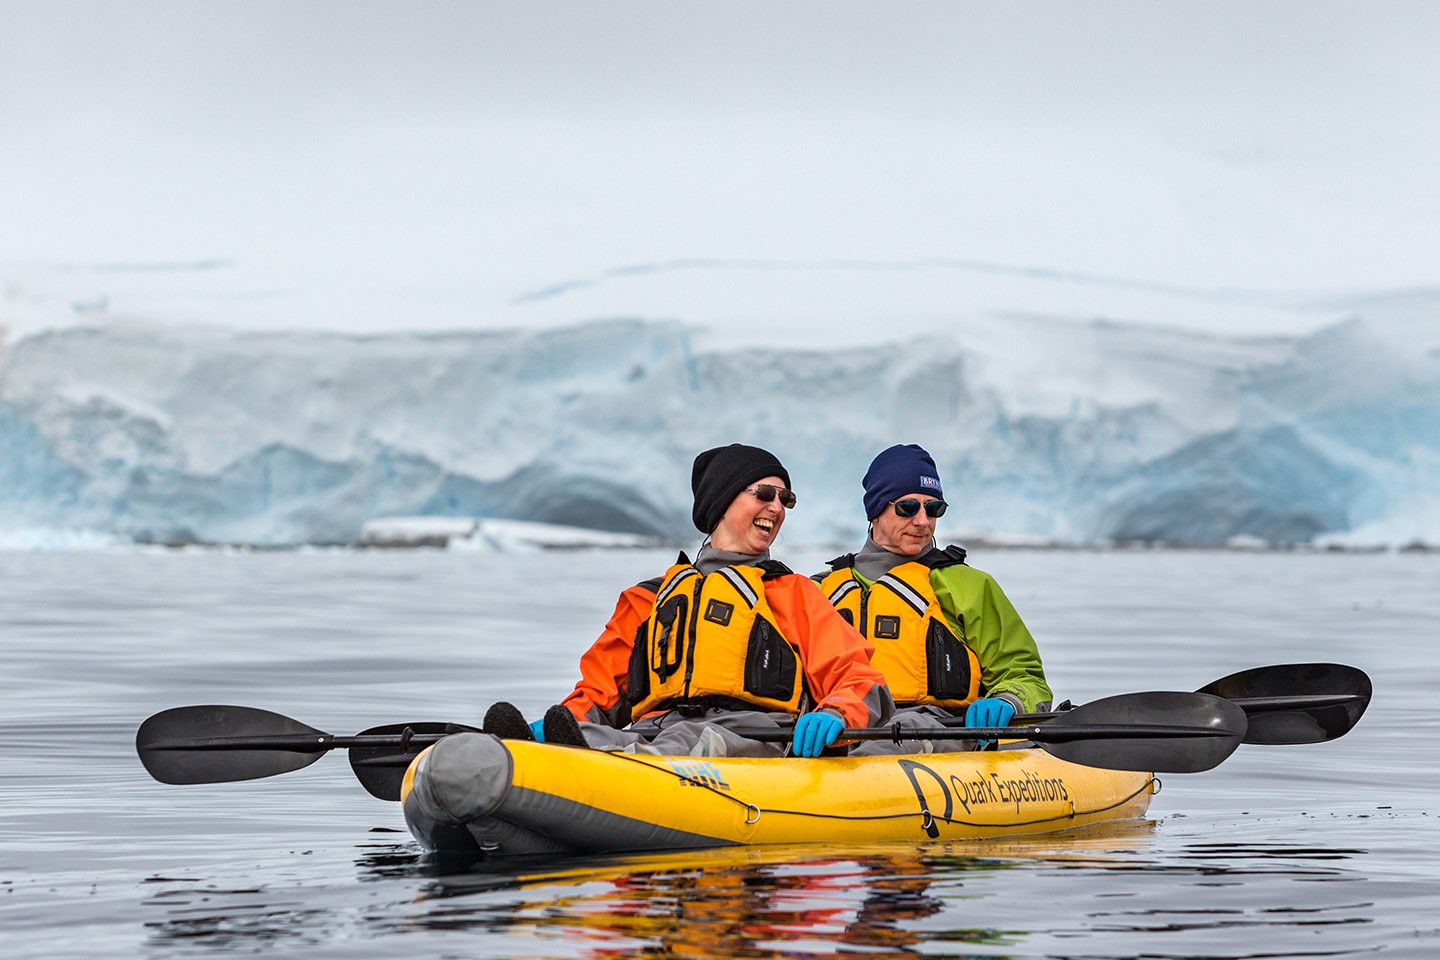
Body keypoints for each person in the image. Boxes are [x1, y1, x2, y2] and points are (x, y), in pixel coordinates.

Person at [482, 443, 894, 758]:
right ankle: (531, 761)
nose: (777, 508)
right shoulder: (649, 598)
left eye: (785, 500)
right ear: (723, 500)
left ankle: (601, 768)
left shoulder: (792, 594)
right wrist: (562, 723)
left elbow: (859, 680)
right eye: (765, 494)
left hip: (752, 736)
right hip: (657, 730)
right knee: (594, 735)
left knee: (685, 743)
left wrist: (836, 713)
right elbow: (600, 692)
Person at [814, 443, 1052, 755]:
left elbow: (1023, 674)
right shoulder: (821, 590)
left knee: (910, 727)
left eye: (934, 509)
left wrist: (1007, 699)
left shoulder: (967, 585)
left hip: (938, 730)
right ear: (874, 509)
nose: (923, 521)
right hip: (842, 726)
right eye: (908, 508)